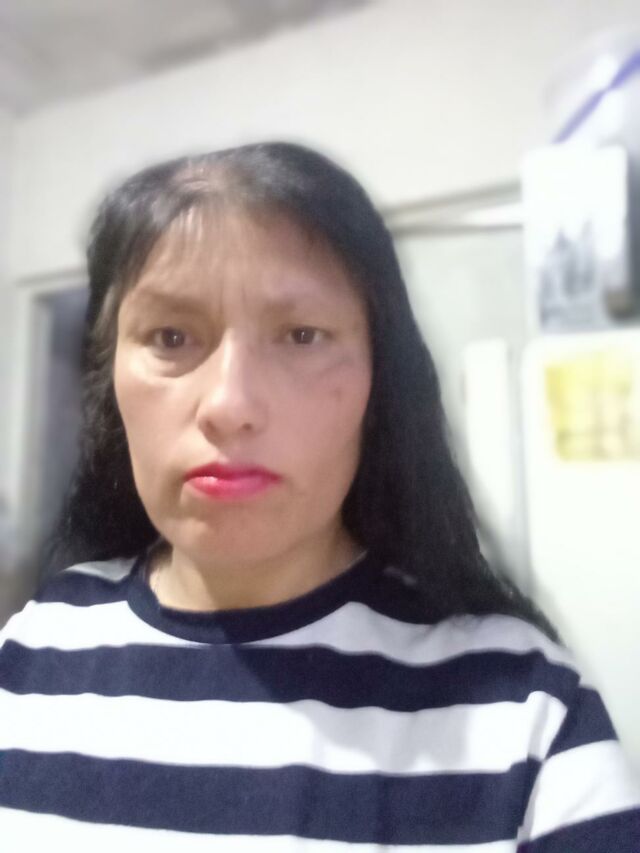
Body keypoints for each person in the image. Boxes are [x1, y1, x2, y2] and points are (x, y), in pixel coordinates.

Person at [0, 142, 638, 851]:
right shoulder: (31, 653)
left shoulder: (527, 709)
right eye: (171, 336)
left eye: (302, 335)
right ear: (109, 377)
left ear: (378, 382)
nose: (230, 404)